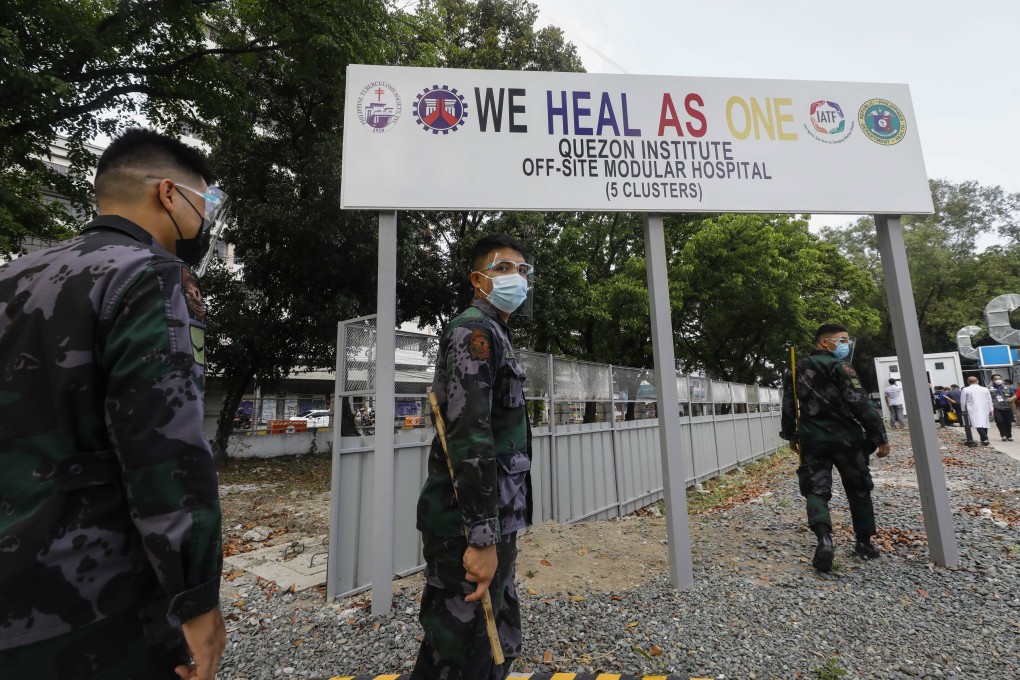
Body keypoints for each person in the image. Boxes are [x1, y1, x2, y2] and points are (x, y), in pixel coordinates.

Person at [0, 129, 226, 679]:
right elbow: (164, 450)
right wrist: (195, 596)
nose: (209, 222)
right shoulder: (150, 276)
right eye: (207, 203)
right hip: (94, 599)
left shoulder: (13, 276)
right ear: (169, 194)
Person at [412, 234, 534, 680]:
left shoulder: (495, 332)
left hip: (491, 518)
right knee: (460, 651)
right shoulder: (474, 332)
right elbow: (469, 438)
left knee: (484, 643)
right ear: (478, 279)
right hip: (466, 525)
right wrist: (481, 539)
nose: (515, 278)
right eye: (503, 268)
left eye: (523, 271)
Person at [781, 323, 890, 572]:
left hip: (812, 439)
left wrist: (791, 435)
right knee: (859, 488)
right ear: (823, 342)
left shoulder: (795, 369)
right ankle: (863, 542)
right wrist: (880, 435)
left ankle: (824, 540)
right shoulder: (841, 367)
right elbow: (861, 403)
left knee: (816, 490)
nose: (845, 345)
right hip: (847, 440)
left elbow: (789, 405)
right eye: (841, 340)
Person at [960, 376, 994, 446]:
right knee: (984, 423)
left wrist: (963, 409)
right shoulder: (985, 389)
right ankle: (983, 439)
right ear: (977, 381)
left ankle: (985, 438)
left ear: (968, 382)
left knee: (977, 423)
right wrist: (991, 409)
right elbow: (989, 400)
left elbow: (963, 401)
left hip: (973, 408)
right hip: (985, 408)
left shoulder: (966, 389)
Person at [989, 373, 1017, 442]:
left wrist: (1012, 398)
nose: (998, 380)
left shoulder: (1008, 387)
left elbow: (1015, 395)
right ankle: (1003, 435)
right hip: (996, 407)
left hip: (1007, 407)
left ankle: (1009, 435)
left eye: (999, 379)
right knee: (1000, 421)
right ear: (993, 380)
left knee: (1008, 421)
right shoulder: (988, 388)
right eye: (996, 379)